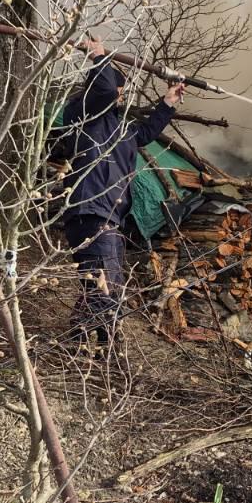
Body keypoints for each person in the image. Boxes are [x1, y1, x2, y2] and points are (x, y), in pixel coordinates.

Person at [56, 37, 185, 343]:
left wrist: (167, 103)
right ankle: (98, 344)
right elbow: (101, 90)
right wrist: (99, 58)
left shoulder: (117, 125)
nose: (120, 99)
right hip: (90, 210)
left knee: (105, 283)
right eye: (118, 93)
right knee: (105, 285)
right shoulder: (83, 113)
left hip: (108, 214)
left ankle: (83, 341)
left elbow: (144, 133)